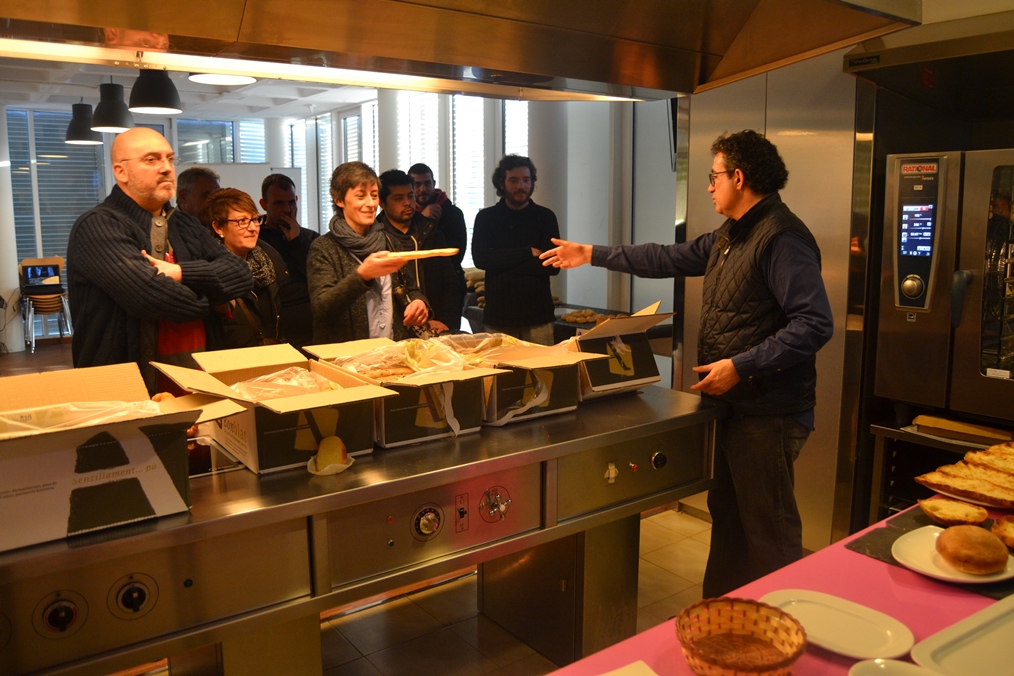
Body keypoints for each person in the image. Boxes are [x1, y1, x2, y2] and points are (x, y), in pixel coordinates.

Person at [541, 130, 834, 597]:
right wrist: (592, 254)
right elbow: (667, 257)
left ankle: (783, 638)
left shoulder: (781, 236)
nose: (709, 186)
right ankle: (721, 618)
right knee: (730, 518)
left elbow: (814, 323)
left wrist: (741, 365)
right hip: (736, 409)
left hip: (770, 412)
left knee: (769, 534)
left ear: (739, 178)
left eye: (714, 176)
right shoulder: (730, 235)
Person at [67, 127, 252, 393]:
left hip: (197, 382)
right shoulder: (98, 226)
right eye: (151, 159)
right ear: (121, 172)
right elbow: (153, 299)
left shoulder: (185, 224)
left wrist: (180, 273)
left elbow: (241, 274)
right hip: (123, 392)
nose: (166, 168)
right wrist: (214, 300)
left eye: (169, 159)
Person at [307, 162, 429, 343]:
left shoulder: (389, 242)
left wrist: (419, 303)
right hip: (347, 357)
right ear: (339, 199)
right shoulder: (324, 248)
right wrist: (362, 275)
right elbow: (322, 308)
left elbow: (410, 288)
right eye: (360, 196)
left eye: (374, 195)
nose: (370, 204)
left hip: (392, 350)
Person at [471, 155, 560, 345]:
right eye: (514, 180)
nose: (521, 186)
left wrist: (501, 263)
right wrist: (527, 253)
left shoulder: (545, 218)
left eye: (526, 180)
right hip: (499, 318)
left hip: (539, 318)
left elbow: (552, 266)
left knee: (543, 373)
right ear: (501, 183)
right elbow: (481, 259)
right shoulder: (486, 218)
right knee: (501, 374)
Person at [378, 169, 460, 335]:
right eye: (398, 198)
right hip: (390, 329)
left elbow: (450, 283)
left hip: (432, 323)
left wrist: (443, 320)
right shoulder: (374, 239)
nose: (407, 202)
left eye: (410, 195)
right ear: (382, 203)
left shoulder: (432, 234)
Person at [205, 188, 289, 349]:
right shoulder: (211, 271)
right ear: (218, 228)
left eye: (255, 219)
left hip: (273, 358)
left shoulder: (269, 262)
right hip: (231, 362)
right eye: (241, 221)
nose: (252, 228)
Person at [257, 173, 316, 348]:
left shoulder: (310, 238)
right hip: (275, 330)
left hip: (311, 329)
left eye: (291, 202)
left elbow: (316, 279)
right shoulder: (256, 239)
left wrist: (296, 243)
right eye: (279, 203)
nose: (287, 209)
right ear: (264, 204)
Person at [408, 162, 467, 329]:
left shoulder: (453, 213)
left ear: (434, 184)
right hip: (414, 288)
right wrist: (422, 220)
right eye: (416, 184)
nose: (422, 189)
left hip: (447, 289)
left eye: (427, 183)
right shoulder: (404, 216)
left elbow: (456, 254)